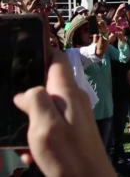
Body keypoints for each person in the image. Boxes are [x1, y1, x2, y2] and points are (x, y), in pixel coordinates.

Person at [13, 46, 119, 177]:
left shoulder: (72, 55)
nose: (50, 43)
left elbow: (98, 51)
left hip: (88, 114)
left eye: (53, 42)